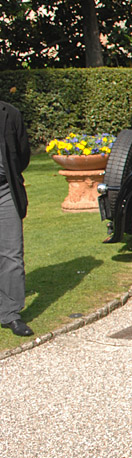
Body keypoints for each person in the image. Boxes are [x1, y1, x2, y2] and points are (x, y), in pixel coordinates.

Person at [0, 99, 32, 336]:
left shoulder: (10, 114)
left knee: (12, 254)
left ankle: (10, 314)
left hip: (5, 191)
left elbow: (22, 156)